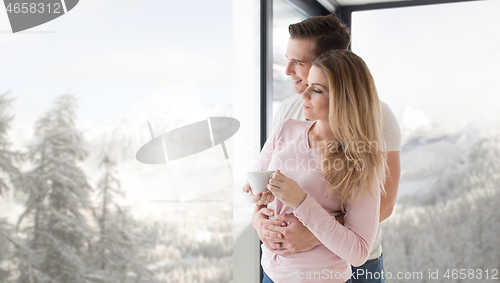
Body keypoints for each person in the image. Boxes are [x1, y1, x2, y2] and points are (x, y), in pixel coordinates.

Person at [251, 14, 401, 283]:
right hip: (280, 268)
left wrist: (312, 231)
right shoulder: (288, 114)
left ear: (332, 63)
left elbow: (384, 204)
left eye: (298, 62)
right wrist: (261, 222)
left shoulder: (378, 117)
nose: (287, 71)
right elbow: (269, 188)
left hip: (356, 265)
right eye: (288, 58)